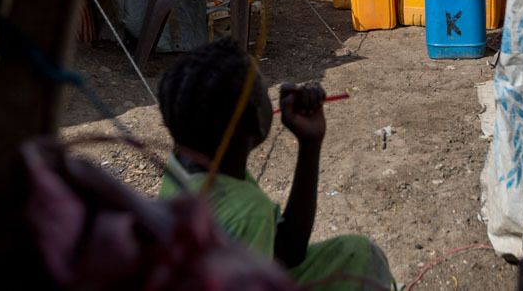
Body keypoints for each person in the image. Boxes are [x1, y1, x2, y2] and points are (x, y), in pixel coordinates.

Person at [157, 39, 396, 290]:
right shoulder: (249, 213)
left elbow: (288, 250)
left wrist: (310, 143)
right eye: (263, 93)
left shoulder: (186, 162)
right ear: (252, 122)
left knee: (357, 252)